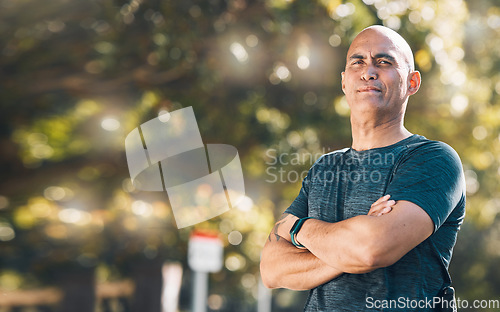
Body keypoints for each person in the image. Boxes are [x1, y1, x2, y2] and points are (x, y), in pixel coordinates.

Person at [260, 25, 466, 312]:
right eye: (358, 61)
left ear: (412, 81)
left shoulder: (433, 159)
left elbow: (370, 250)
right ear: (344, 82)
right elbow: (272, 269)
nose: (368, 71)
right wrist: (350, 244)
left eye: (384, 61)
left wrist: (297, 228)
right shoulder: (324, 168)